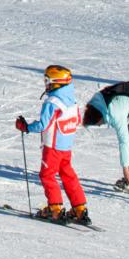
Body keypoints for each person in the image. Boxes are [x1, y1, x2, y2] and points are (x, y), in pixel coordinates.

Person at [17, 64, 90, 224]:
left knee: (47, 175)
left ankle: (55, 208)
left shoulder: (52, 102)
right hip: (66, 147)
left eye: (47, 81)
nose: (46, 84)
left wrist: (26, 127)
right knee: (68, 175)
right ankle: (79, 208)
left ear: (57, 82)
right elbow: (77, 120)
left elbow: (43, 124)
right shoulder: (72, 100)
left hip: (52, 147)